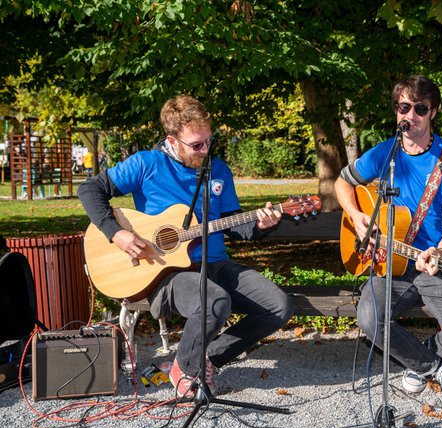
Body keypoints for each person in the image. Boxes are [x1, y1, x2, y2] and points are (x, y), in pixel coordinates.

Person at [78, 95, 294, 397]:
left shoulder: (218, 170)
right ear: (172, 140)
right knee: (213, 302)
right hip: (163, 273)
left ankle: (195, 360)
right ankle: (190, 367)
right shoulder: (146, 163)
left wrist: (259, 224)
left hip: (215, 263)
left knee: (278, 305)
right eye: (197, 145)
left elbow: (233, 223)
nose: (205, 150)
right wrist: (117, 234)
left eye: (209, 140)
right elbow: (91, 189)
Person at [334, 75, 442, 403]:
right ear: (396, 111)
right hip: (391, 266)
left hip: (436, 265)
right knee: (370, 318)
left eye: (420, 108)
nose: (410, 115)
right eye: (403, 107)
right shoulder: (384, 154)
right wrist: (358, 218)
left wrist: (441, 250)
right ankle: (436, 368)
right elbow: (342, 183)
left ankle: (419, 362)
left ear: (433, 112)